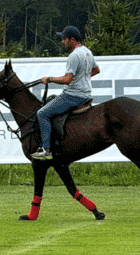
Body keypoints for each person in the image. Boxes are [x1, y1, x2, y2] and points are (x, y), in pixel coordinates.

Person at [31, 26, 100, 160]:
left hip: (73, 96)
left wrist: (49, 79)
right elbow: (96, 70)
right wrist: (82, 78)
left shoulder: (74, 55)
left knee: (42, 113)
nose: (63, 42)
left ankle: (46, 149)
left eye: (64, 39)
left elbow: (68, 79)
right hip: (86, 94)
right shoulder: (87, 52)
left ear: (72, 40)